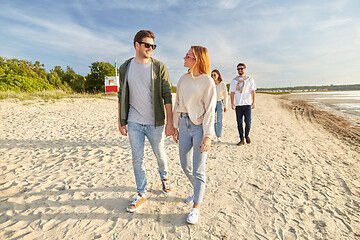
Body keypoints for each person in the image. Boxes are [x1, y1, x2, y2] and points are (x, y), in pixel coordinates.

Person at [118, 30, 175, 213]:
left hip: (155, 122)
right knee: (137, 159)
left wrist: (170, 122)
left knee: (160, 155)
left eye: (153, 46)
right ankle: (142, 193)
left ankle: (164, 178)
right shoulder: (125, 67)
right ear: (137, 45)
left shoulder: (159, 67)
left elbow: (167, 95)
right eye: (147, 45)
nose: (151, 48)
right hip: (134, 121)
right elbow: (122, 94)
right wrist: (121, 120)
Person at [173, 46, 216, 224]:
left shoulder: (208, 82)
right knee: (185, 165)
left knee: (199, 169)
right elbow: (177, 104)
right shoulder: (182, 79)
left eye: (187, 55)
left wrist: (208, 135)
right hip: (183, 125)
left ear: (196, 59)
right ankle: (198, 187)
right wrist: (174, 127)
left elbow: (210, 110)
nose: (184, 57)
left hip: (199, 128)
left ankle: (196, 207)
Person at [229, 63, 256, 146]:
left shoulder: (250, 80)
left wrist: (253, 102)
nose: (240, 70)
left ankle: (247, 135)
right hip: (238, 105)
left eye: (241, 68)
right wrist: (232, 103)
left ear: (245, 69)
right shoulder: (234, 81)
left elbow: (253, 91)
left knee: (248, 122)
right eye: (238, 69)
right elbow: (232, 93)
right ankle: (241, 139)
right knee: (239, 123)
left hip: (247, 104)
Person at [211, 69, 228, 143]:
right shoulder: (210, 84)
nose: (213, 76)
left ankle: (219, 136)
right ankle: (215, 135)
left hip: (220, 103)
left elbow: (226, 95)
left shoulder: (222, 84)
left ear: (218, 75)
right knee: (213, 120)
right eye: (212, 75)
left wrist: (225, 106)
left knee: (219, 120)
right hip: (212, 103)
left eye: (214, 75)